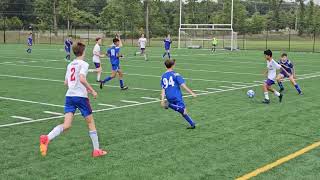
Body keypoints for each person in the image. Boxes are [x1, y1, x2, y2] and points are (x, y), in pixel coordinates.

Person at [39, 42, 107, 158]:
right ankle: (96, 150)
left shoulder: (70, 65)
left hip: (69, 97)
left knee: (67, 125)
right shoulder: (84, 64)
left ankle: (47, 138)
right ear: (83, 52)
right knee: (90, 122)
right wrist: (92, 90)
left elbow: (66, 82)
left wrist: (89, 73)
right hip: (80, 97)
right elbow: (81, 78)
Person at [161, 59, 197, 129]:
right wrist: (191, 92)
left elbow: (163, 89)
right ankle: (170, 105)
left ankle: (192, 124)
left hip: (168, 96)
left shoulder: (163, 76)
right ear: (173, 65)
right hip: (176, 95)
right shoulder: (176, 74)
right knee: (183, 110)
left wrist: (162, 100)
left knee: (182, 111)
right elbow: (183, 85)